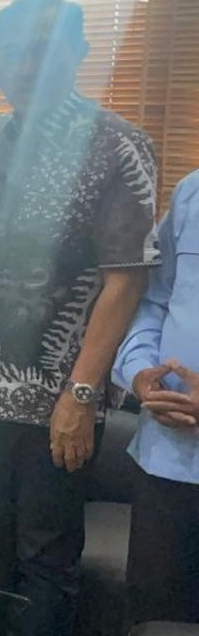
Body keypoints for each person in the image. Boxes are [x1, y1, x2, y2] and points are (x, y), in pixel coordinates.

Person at [0, 0, 156, 636]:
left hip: (57, 404)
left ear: (79, 52)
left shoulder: (118, 145)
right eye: (12, 52)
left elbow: (125, 282)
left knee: (46, 562)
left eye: (44, 50)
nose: (27, 66)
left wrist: (81, 395)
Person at [112, 168, 199, 626]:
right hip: (167, 461)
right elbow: (153, 302)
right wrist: (139, 370)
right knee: (154, 620)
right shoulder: (191, 194)